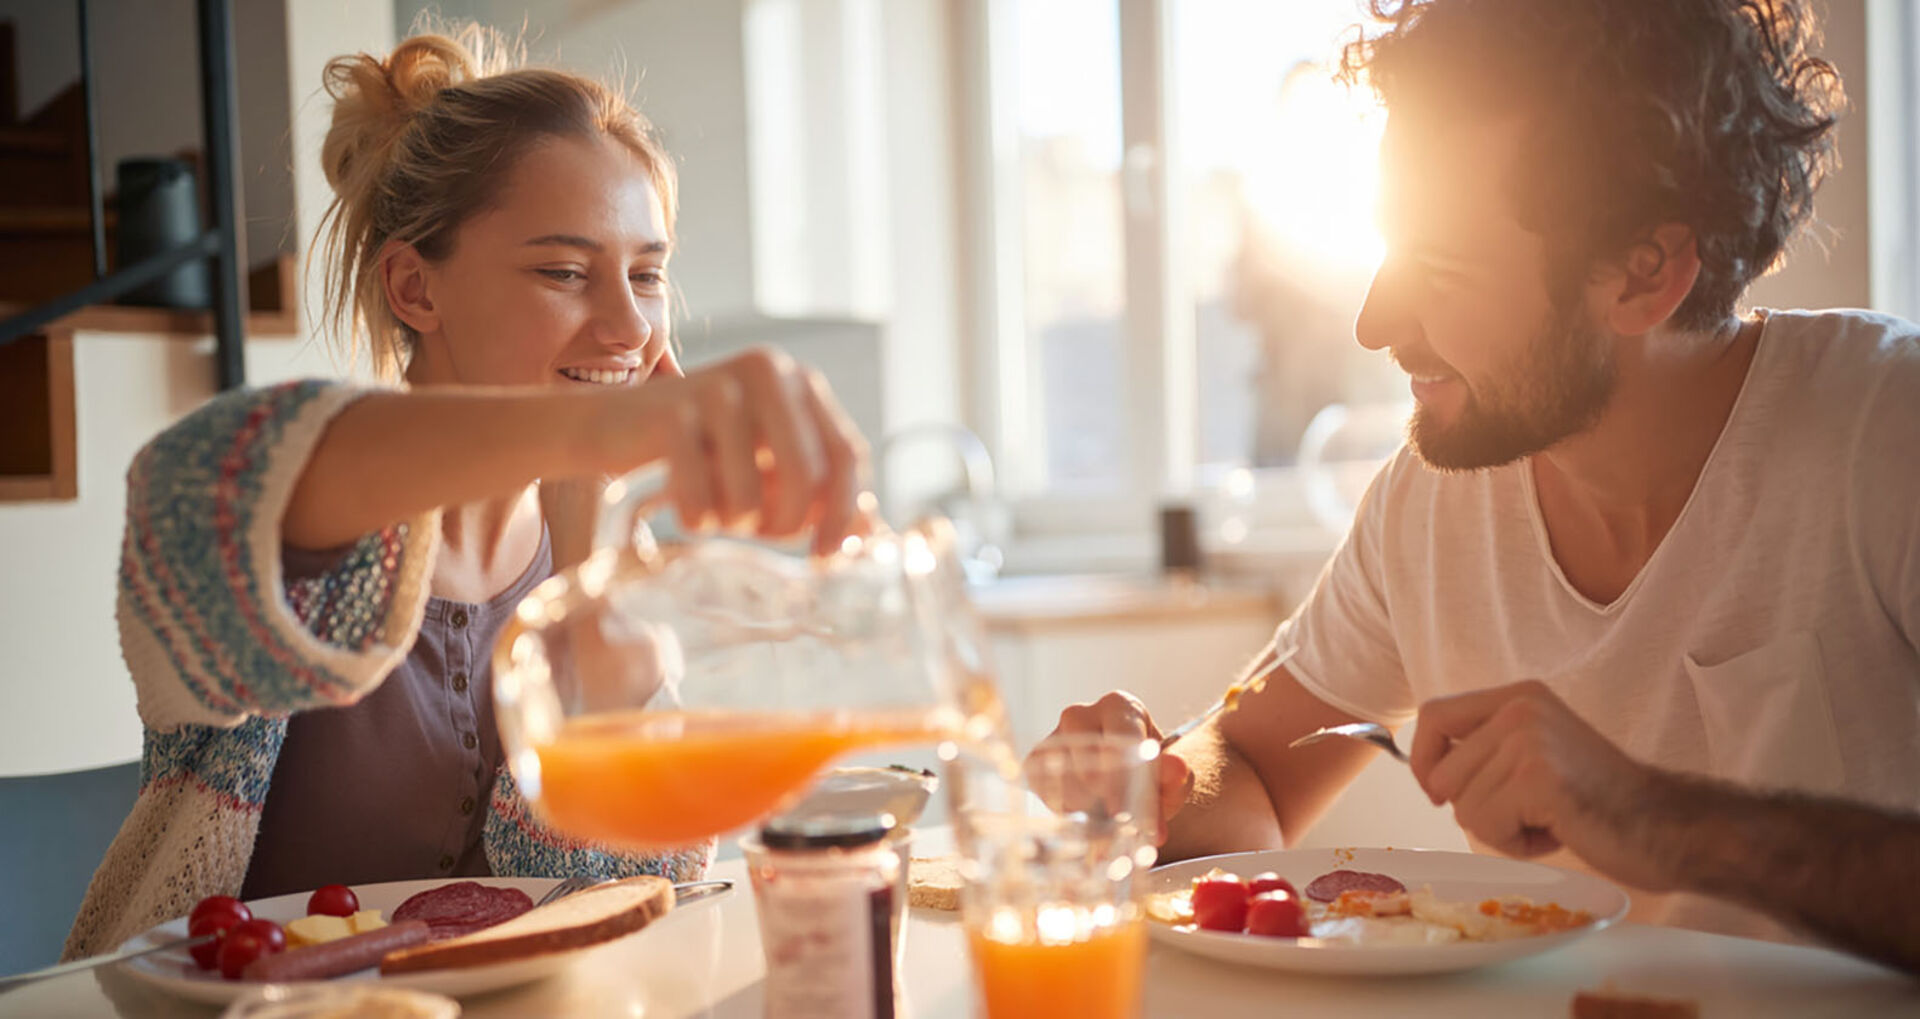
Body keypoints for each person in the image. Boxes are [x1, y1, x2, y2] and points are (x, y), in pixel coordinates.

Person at [1042, 0, 1920, 974]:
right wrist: (1148, 784)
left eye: (1444, 265)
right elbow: (1248, 765)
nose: (1376, 323)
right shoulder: (1429, 504)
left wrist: (1660, 817)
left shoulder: (1887, 433)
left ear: (1645, 272)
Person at [63, 27, 870, 959]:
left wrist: (587, 575)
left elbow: (625, 915)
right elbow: (198, 481)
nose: (626, 327)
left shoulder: (603, 567)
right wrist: (604, 427)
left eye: (646, 275)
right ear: (414, 287)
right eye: (564, 272)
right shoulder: (307, 531)